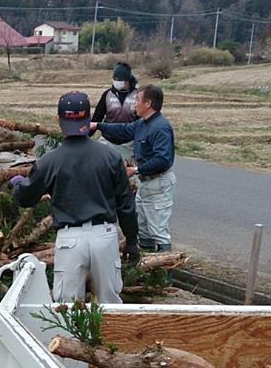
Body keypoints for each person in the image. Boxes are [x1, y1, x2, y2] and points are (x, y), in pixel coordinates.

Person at [9, 91, 138, 304]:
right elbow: (125, 203)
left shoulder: (50, 161)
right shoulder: (110, 156)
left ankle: (69, 328)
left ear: (59, 120)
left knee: (67, 307)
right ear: (88, 120)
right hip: (104, 237)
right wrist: (132, 240)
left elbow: (26, 198)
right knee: (111, 304)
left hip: (70, 240)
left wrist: (17, 185)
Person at [94, 84, 176, 253]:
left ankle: (165, 264)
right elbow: (122, 130)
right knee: (143, 229)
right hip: (145, 184)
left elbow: (163, 160)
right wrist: (98, 126)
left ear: (148, 103)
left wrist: (136, 170)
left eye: (137, 99)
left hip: (158, 184)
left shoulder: (160, 127)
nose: (134, 104)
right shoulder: (142, 124)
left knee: (158, 231)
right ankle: (147, 262)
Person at [92, 61, 139, 163]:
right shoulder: (107, 94)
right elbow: (96, 118)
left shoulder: (138, 96)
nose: (116, 82)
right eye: (114, 79)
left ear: (127, 80)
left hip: (128, 144)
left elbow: (141, 123)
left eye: (119, 80)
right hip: (107, 140)